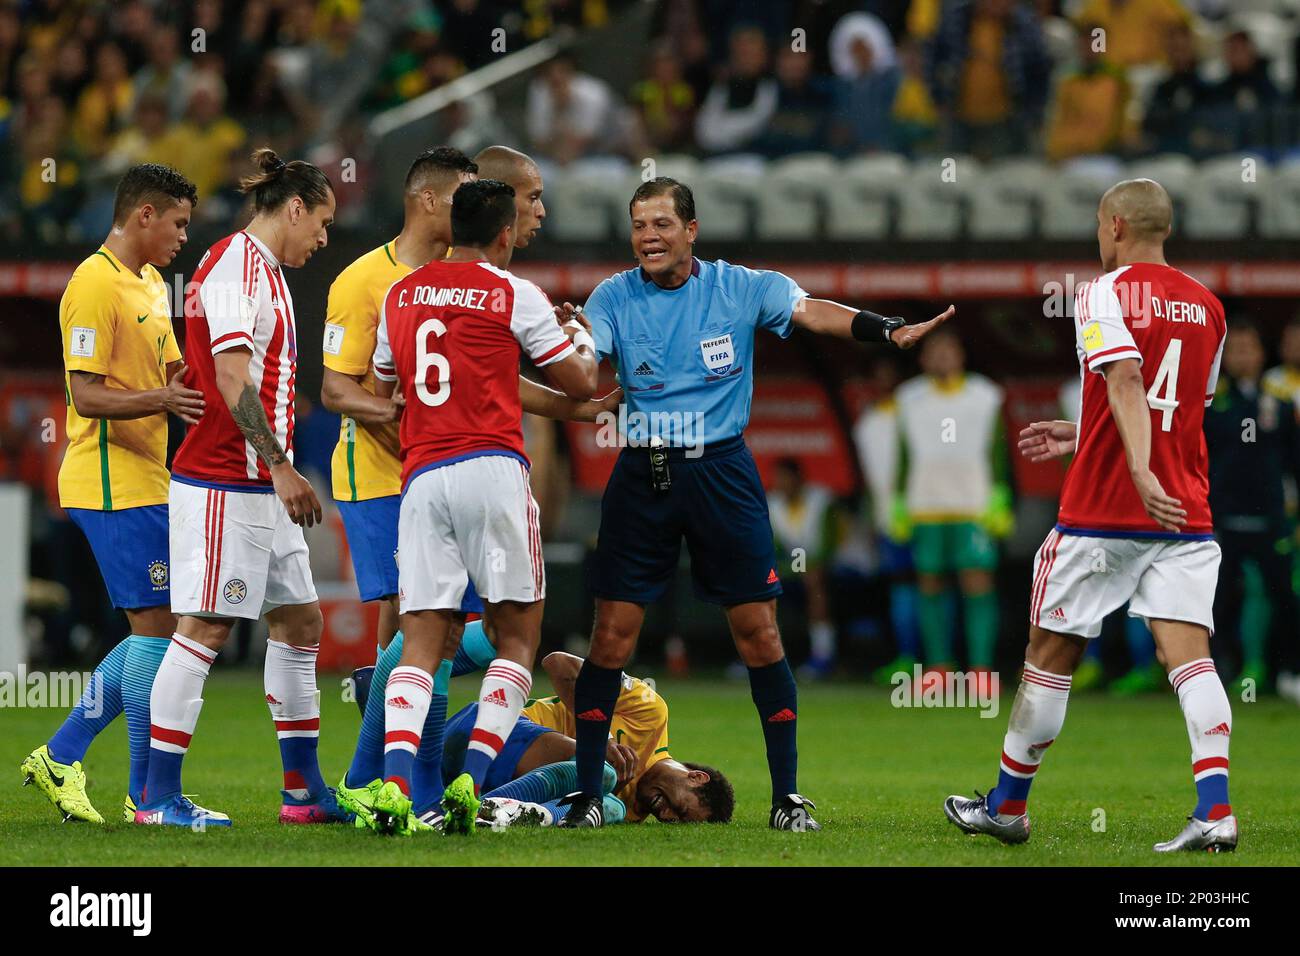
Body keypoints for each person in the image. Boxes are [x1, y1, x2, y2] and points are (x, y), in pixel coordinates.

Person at [560, 176, 955, 830]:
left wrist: (885, 331)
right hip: (644, 471)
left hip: (721, 469)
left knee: (760, 633)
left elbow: (813, 312)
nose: (648, 237)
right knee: (610, 636)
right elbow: (585, 353)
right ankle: (584, 796)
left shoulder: (744, 286)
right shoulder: (612, 295)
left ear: (691, 230)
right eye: (639, 226)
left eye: (661, 224)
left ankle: (787, 796)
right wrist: (567, 342)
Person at [329, 146, 620, 831]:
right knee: (517, 637)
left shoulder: (402, 292)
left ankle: (396, 788)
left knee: (422, 640)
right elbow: (580, 381)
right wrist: (581, 337)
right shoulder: (511, 292)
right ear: (501, 234)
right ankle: (473, 781)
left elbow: (389, 382)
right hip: (492, 469)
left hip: (422, 478)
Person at [945, 178, 1235, 852]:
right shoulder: (1211, 307)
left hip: (1104, 511)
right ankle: (1215, 810)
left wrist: (1132, 467)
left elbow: (1131, 381)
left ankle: (1008, 807)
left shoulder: (1102, 293)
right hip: (1185, 514)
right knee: (1191, 660)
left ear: (1113, 226)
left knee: (1049, 657)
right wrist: (1086, 433)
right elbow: (1178, 410)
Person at [138, 149, 346, 828]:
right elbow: (230, 379)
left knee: (301, 621)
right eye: (320, 221)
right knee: (204, 627)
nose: (323, 237)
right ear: (293, 207)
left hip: (259, 484)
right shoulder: (235, 265)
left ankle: (303, 791)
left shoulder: (269, 273)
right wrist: (282, 465)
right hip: (229, 480)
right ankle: (155, 798)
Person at [20, 164, 201, 825]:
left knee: (160, 629)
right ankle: (143, 794)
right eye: (178, 222)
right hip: (106, 479)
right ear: (144, 216)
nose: (184, 236)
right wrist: (163, 398)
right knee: (160, 630)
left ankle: (67, 757)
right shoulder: (93, 283)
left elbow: (176, 372)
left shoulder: (151, 283)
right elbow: (85, 393)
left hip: (148, 477)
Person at [447, 651, 734, 826]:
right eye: (681, 810)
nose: (668, 817)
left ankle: (488, 810)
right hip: (487, 729)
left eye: (676, 822)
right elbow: (558, 663)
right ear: (696, 777)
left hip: (468, 777)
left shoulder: (633, 811)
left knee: (610, 806)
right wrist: (600, 738)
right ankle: (485, 806)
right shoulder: (650, 713)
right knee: (599, 772)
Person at [894, 329, 1009, 686]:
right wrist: (897, 500)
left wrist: (1001, 495)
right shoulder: (908, 397)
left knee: (977, 584)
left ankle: (980, 670)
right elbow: (903, 455)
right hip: (925, 504)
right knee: (929, 585)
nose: (942, 357)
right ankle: (939, 668)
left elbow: (999, 451)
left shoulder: (986, 395)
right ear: (923, 358)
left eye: (949, 349)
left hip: (973, 503)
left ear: (961, 355)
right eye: (935, 351)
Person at [1204, 320, 1300, 698]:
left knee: (1283, 596)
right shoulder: (1212, 404)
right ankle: (1216, 674)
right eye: (1235, 349)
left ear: (1262, 354)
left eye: (1248, 348)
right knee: (1218, 600)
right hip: (1223, 518)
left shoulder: (1278, 403)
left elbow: (1294, 462)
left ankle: (1288, 672)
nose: (1242, 356)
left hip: (1271, 518)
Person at [767, 458, 840, 678]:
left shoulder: (823, 500)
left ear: (799, 478)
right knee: (757, 584)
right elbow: (775, 548)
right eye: (778, 478)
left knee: (814, 580)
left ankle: (823, 656)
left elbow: (831, 546)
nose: (781, 483)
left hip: (840, 568)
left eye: (786, 477)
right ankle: (762, 658)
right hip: (796, 570)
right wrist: (794, 569)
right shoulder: (772, 505)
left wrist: (808, 567)